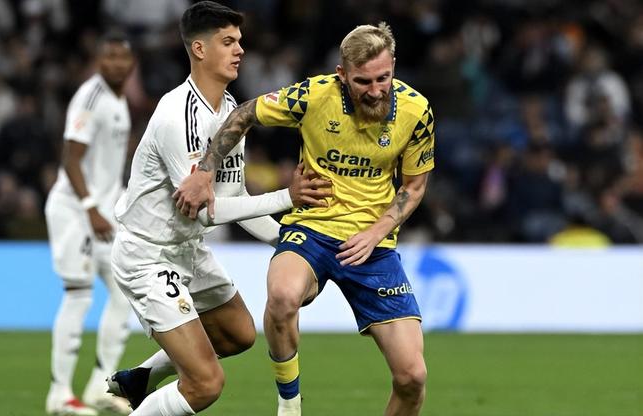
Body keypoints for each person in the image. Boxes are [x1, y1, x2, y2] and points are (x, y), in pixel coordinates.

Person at [175, 22, 435, 416]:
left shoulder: (416, 110)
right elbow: (244, 114)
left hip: (374, 244)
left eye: (383, 78)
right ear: (342, 74)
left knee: (412, 378)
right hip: (312, 228)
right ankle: (289, 405)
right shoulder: (314, 96)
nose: (375, 90)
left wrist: (376, 232)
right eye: (363, 81)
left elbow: (413, 187)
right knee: (282, 296)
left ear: (394, 66)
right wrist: (205, 172)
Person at [107, 2, 330, 415]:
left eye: (239, 41)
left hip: (187, 249)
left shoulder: (230, 110)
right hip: (148, 256)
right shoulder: (178, 117)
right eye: (228, 42)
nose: (239, 50)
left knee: (238, 333)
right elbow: (204, 211)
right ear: (199, 49)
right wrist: (287, 197)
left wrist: (290, 242)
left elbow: (234, 196)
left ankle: (141, 377)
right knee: (205, 384)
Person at [44, 32, 135, 415]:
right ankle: (59, 394)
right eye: (109, 56)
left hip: (104, 214)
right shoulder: (91, 97)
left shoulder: (120, 101)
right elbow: (70, 158)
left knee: (124, 293)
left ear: (131, 63)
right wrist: (91, 208)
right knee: (78, 295)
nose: (116, 63)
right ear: (99, 61)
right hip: (75, 211)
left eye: (122, 57)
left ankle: (100, 386)